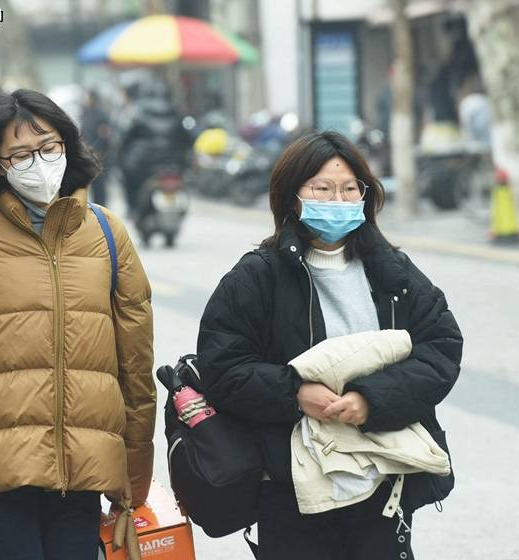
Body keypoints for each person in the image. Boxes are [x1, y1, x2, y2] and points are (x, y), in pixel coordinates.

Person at [0, 89, 156, 560]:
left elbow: (135, 368)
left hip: (84, 470)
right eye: (20, 153)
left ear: (67, 147)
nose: (38, 162)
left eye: (49, 147)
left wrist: (135, 475)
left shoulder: (108, 236)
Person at [196, 131, 462, 560]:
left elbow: (441, 348)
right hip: (290, 487)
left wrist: (370, 400)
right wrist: (295, 393)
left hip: (383, 480)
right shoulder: (258, 277)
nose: (337, 199)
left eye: (349, 188)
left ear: (365, 195)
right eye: (322, 188)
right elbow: (222, 367)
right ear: (292, 197)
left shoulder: (393, 273)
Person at [116, 82, 192, 216]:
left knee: (129, 180)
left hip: (143, 163)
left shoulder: (137, 112)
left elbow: (126, 138)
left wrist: (122, 156)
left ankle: (133, 209)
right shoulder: (175, 112)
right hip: (172, 162)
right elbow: (187, 138)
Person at [81, 89, 112, 206]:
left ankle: (102, 206)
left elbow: (105, 136)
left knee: (100, 183)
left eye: (88, 97)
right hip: (87, 153)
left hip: (99, 153)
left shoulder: (100, 114)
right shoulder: (85, 112)